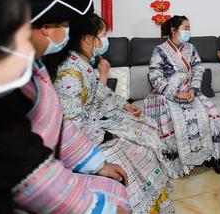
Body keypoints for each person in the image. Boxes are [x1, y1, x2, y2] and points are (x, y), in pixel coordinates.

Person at [0, 0, 129, 213]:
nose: (67, 31)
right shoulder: (6, 87)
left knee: (117, 190)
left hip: (40, 165)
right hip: (19, 189)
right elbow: (29, 170)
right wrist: (97, 209)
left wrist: (98, 164)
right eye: (63, 24)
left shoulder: (35, 68)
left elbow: (58, 125)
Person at [46, 13, 173, 213]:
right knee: (138, 144)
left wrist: (124, 105)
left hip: (95, 122)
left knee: (146, 124)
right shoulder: (69, 72)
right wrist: (107, 134)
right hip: (86, 137)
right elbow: (71, 124)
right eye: (104, 34)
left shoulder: (82, 63)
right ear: (89, 38)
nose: (106, 41)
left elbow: (98, 94)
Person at [145, 15, 220, 177]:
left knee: (211, 112)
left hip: (190, 90)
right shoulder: (160, 50)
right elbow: (155, 76)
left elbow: (198, 69)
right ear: (174, 31)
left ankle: (212, 156)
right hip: (167, 93)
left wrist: (194, 89)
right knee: (176, 117)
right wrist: (175, 93)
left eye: (189, 28)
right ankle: (178, 161)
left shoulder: (191, 48)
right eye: (185, 28)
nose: (188, 31)